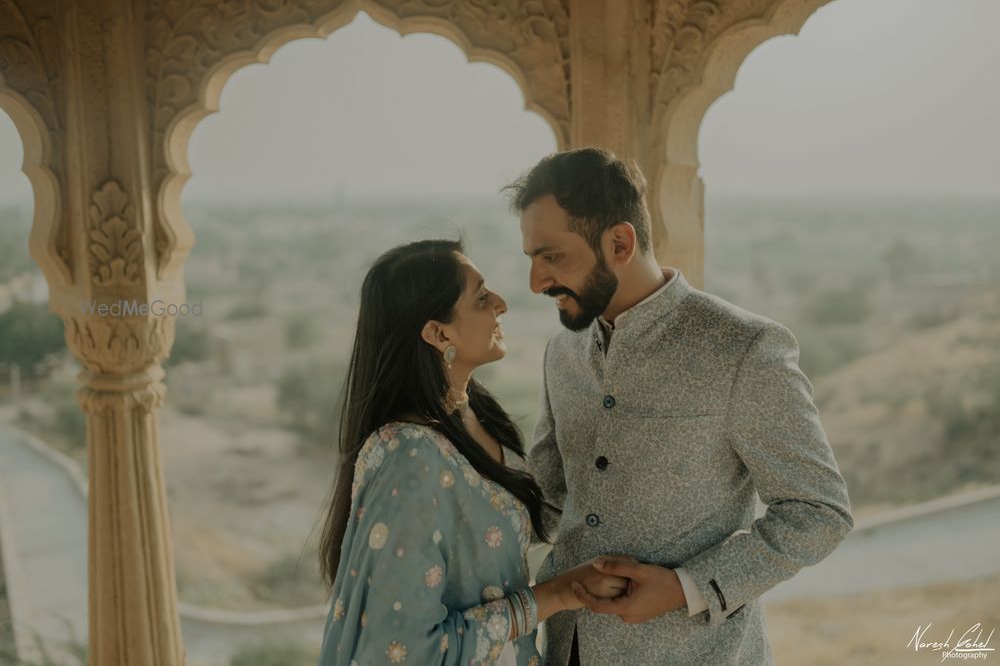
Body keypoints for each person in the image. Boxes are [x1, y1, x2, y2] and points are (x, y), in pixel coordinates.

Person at [505, 147, 855, 665]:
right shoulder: (563, 350)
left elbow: (819, 511)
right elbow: (550, 496)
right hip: (566, 648)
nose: (536, 281)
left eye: (551, 256)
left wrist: (686, 586)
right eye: (531, 258)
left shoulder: (742, 347)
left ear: (620, 242)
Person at [315, 239, 628, 665]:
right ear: (437, 332)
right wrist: (555, 595)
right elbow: (405, 651)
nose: (500, 303)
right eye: (481, 297)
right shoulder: (407, 456)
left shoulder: (474, 414)